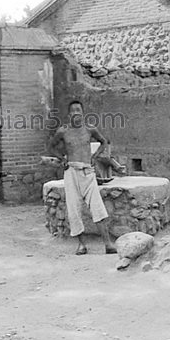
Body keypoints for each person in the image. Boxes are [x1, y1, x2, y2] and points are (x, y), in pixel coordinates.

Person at [49, 100, 117, 255]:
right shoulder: (63, 131)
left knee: (97, 206)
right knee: (73, 208)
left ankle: (107, 244)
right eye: (73, 111)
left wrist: (95, 157)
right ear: (69, 114)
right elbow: (51, 146)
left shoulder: (90, 129)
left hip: (88, 172)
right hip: (71, 171)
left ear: (83, 112)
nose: (76, 113)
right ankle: (81, 245)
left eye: (78, 110)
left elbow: (103, 142)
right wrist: (62, 159)